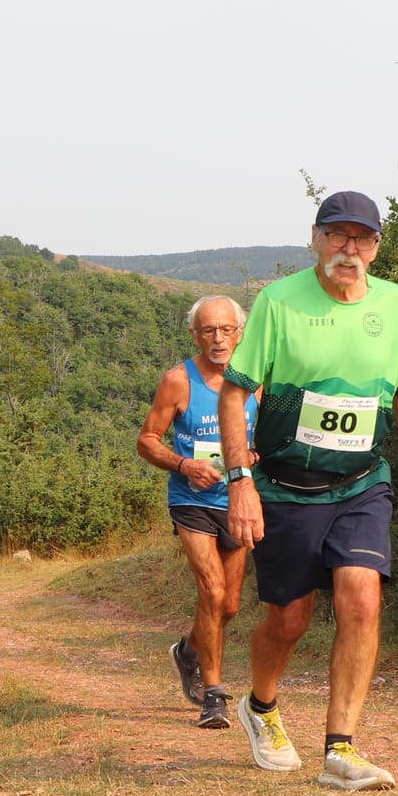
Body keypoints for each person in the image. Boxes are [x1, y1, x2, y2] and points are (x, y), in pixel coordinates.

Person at [217, 190, 398, 791]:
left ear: (377, 247)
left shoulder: (394, 304)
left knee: (362, 598)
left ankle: (340, 750)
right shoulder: (279, 302)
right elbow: (234, 393)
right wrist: (240, 483)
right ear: (315, 239)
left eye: (362, 238)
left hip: (363, 482)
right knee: (289, 620)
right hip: (287, 485)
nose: (349, 248)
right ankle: (261, 706)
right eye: (337, 235)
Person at [137, 295, 259, 729]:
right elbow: (147, 440)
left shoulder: (256, 379)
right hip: (192, 501)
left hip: (238, 501)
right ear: (195, 335)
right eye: (208, 330)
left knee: (230, 605)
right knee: (212, 591)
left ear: (240, 333)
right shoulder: (178, 380)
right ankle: (214, 695)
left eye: (226, 329)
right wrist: (185, 465)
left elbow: (268, 437)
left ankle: (189, 651)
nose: (218, 339)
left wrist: (254, 457)